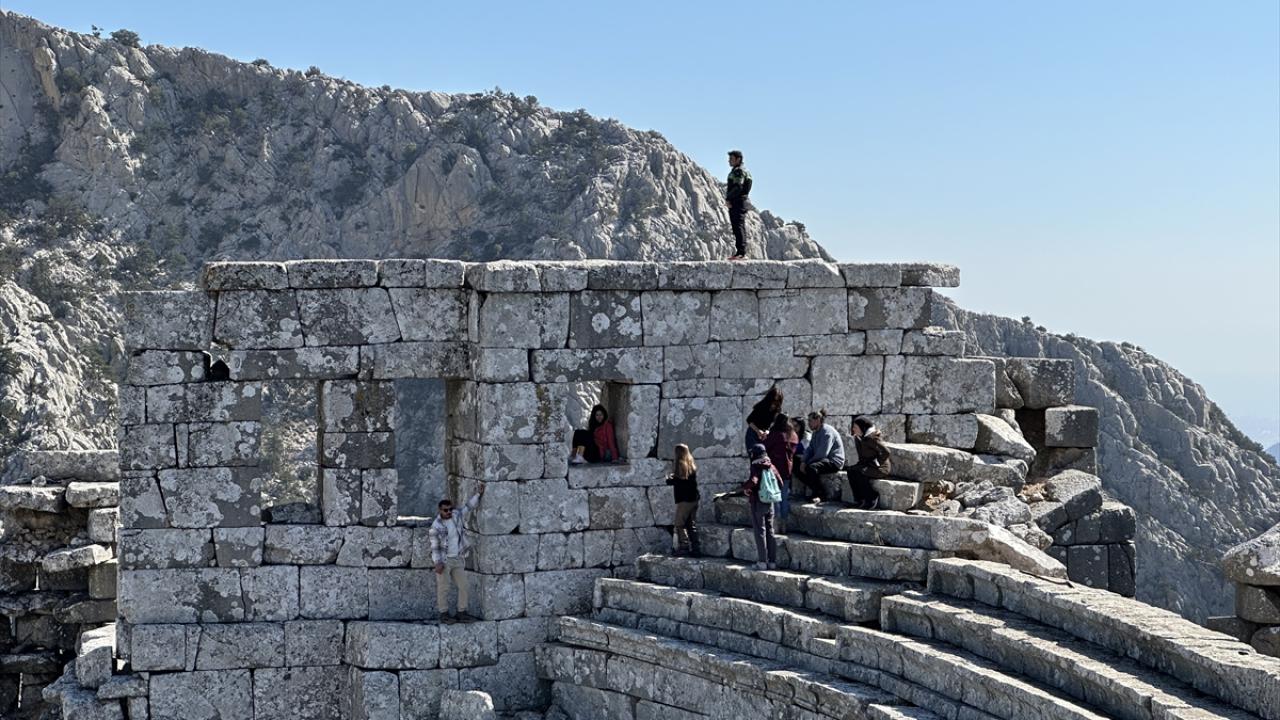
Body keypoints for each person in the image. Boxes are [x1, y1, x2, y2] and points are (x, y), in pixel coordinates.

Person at [430, 482, 485, 623]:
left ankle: (462, 612)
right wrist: (438, 563)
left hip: (458, 558)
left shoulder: (456, 516)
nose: (448, 512)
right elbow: (435, 547)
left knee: (464, 585)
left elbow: (468, 507)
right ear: (440, 511)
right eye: (445, 510)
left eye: (450, 509)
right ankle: (444, 614)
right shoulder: (435, 527)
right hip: (445, 560)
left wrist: (478, 494)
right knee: (444, 588)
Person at [742, 444, 779, 569]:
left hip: (758, 501)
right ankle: (772, 562)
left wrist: (745, 488)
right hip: (770, 501)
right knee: (770, 530)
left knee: (759, 531)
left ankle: (762, 561)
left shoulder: (756, 466)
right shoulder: (771, 465)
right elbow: (780, 482)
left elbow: (753, 481)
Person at [799, 410, 845, 504]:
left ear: (818, 420)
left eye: (810, 421)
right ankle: (814, 490)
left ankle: (820, 494)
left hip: (834, 461)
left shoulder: (827, 432)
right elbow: (810, 449)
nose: (809, 423)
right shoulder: (816, 432)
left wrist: (807, 463)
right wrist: (803, 461)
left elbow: (822, 453)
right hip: (822, 460)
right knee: (796, 464)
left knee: (811, 468)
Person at [847, 416, 892, 510]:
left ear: (862, 427)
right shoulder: (858, 438)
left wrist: (876, 462)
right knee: (851, 471)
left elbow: (886, 452)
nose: (853, 429)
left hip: (880, 468)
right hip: (868, 465)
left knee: (861, 472)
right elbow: (862, 456)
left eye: (855, 427)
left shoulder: (872, 438)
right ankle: (860, 500)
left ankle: (872, 497)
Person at [665, 444, 700, 556]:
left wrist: (669, 479)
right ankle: (696, 549)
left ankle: (684, 547)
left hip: (685, 500)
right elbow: (685, 481)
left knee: (679, 524)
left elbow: (679, 482)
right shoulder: (691, 464)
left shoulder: (680, 465)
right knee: (691, 524)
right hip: (694, 498)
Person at [763, 414, 797, 523]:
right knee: (784, 497)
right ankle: (784, 523)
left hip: (775, 469)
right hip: (787, 469)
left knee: (775, 497)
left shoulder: (776, 435)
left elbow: (764, 447)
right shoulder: (793, 435)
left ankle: (776, 522)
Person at [725, 149, 753, 260]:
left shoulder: (738, 171)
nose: (729, 161)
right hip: (740, 201)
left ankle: (741, 252)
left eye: (731, 159)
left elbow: (738, 186)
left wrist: (728, 198)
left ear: (738, 159)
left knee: (738, 226)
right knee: (737, 226)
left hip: (737, 202)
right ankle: (739, 252)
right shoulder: (743, 171)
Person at [745, 386, 784, 452]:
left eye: (777, 402)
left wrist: (767, 432)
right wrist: (758, 431)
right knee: (754, 455)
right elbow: (749, 420)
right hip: (753, 433)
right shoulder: (762, 406)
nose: (774, 404)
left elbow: (772, 425)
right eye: (774, 400)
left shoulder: (777, 411)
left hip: (764, 435)